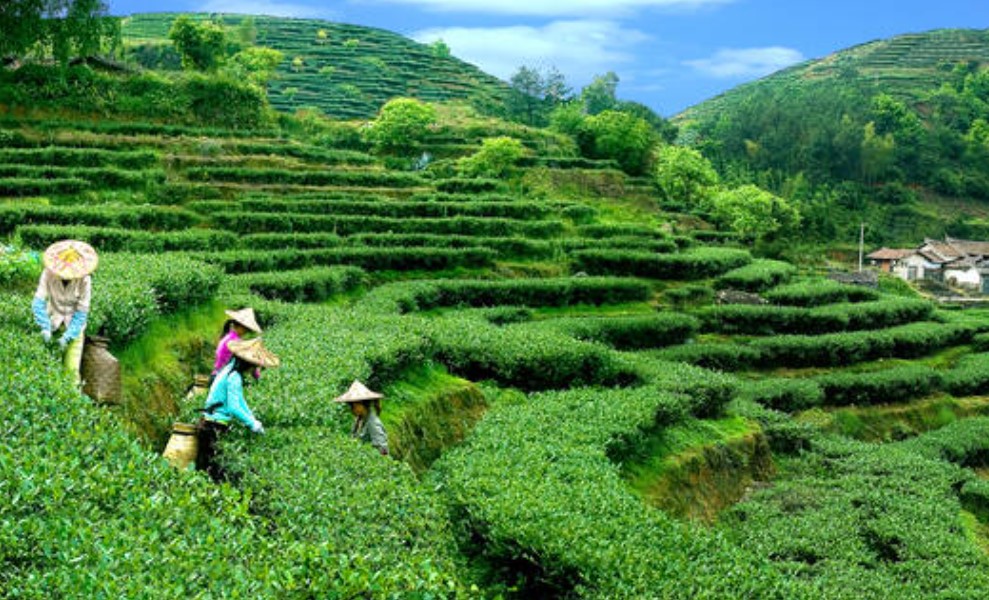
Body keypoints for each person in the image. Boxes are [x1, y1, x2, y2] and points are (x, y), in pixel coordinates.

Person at [197, 337, 280, 482]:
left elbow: (240, 400)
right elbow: (234, 407)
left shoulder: (228, 369)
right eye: (254, 365)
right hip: (213, 426)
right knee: (211, 472)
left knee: (209, 467)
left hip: (209, 422)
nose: (255, 369)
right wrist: (251, 423)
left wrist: (252, 418)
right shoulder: (234, 377)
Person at [31, 239, 98, 386]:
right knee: (47, 371)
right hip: (53, 321)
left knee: (71, 372)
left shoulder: (85, 280)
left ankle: (73, 402)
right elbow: (38, 302)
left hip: (74, 327)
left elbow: (81, 313)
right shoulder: (48, 273)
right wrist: (45, 327)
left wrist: (67, 337)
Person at [335, 380, 389, 456]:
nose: (352, 409)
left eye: (353, 406)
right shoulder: (359, 420)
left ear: (361, 405)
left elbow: (382, 449)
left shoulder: (372, 423)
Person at [212, 307, 262, 380]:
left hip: (217, 375)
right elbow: (249, 360)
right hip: (222, 377)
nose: (246, 332)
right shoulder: (235, 341)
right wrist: (258, 376)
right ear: (240, 326)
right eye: (246, 329)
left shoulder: (229, 336)